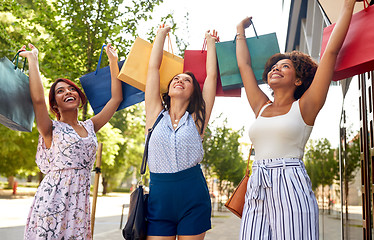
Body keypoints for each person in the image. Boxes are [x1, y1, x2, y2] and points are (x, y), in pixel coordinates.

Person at [235, 0, 358, 239]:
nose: (275, 68)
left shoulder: (306, 106)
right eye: (273, 67)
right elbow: (244, 66)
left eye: (285, 66)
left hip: (289, 182)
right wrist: (240, 30)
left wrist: (347, 7)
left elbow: (330, 53)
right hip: (257, 184)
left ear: (298, 80)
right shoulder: (261, 106)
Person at [20, 43, 122, 239]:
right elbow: (38, 100)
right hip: (52, 201)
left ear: (79, 96)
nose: (67, 92)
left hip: (79, 205)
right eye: (60, 91)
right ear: (55, 104)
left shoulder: (90, 126)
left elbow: (116, 99)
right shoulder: (49, 129)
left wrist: (113, 61)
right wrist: (33, 60)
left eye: (71, 89)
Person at [145, 25, 219, 240]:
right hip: (159, 198)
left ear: (194, 90)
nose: (180, 80)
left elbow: (211, 78)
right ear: (168, 89)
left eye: (187, 80)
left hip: (193, 196)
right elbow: (152, 69)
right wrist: (160, 35)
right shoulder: (154, 115)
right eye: (176, 79)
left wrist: (211, 43)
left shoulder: (197, 120)